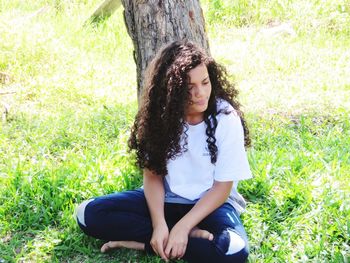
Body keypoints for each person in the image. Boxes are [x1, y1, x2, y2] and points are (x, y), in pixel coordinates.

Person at [76, 40, 252, 263]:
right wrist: (159, 224)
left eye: (205, 82)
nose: (201, 93)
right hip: (166, 202)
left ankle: (148, 243)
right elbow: (152, 175)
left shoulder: (226, 117)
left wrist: (185, 225)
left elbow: (222, 188)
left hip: (211, 205)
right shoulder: (159, 118)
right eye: (190, 88)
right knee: (88, 214)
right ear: (173, 90)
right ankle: (173, 236)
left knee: (234, 250)